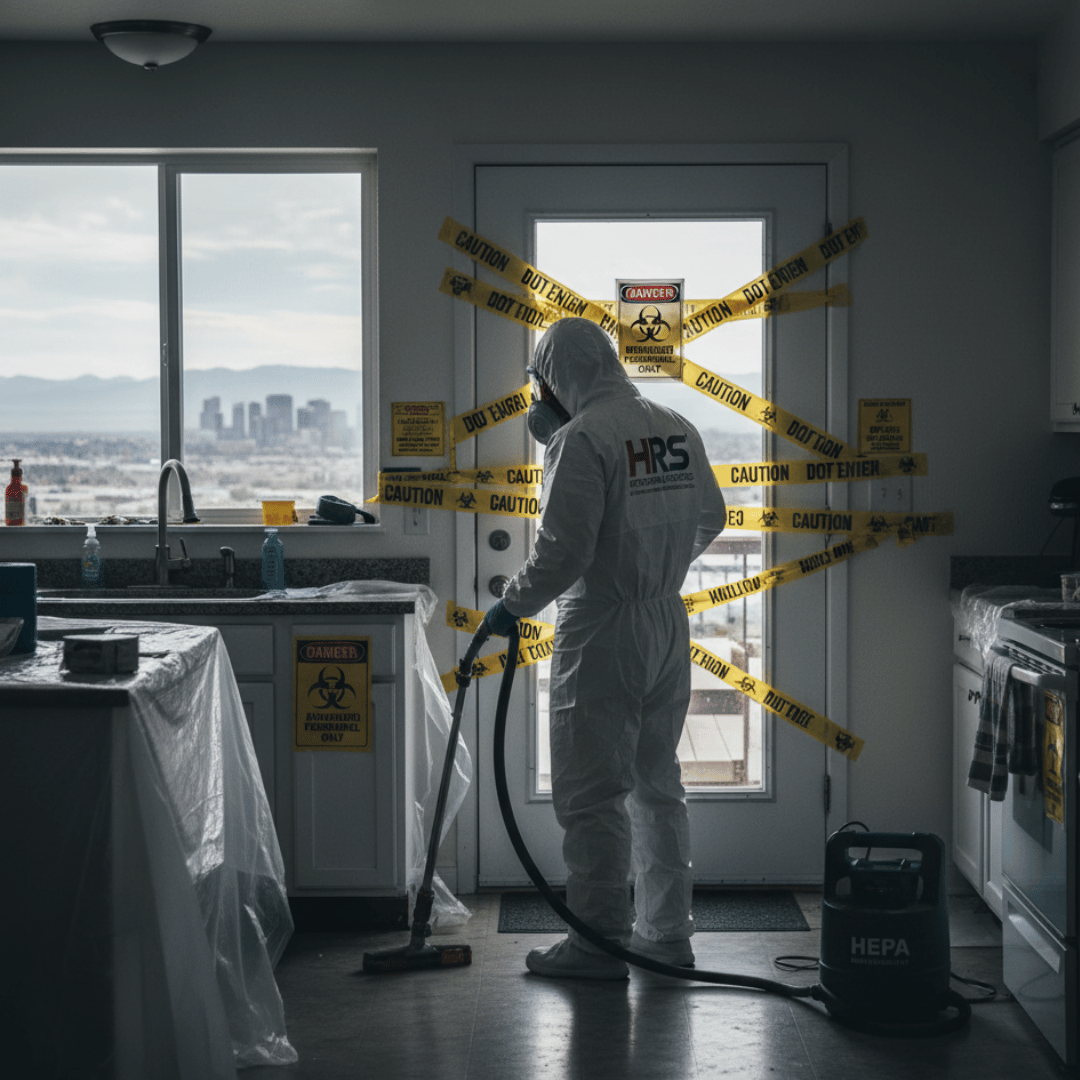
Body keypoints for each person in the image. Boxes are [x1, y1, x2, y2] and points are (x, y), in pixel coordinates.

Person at [484, 316, 726, 980]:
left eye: (540, 382)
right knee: (656, 784)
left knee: (592, 794)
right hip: (664, 622)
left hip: (602, 629)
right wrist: (657, 562)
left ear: (558, 376)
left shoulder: (581, 438)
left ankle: (596, 944)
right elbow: (714, 515)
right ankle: (667, 934)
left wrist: (509, 607)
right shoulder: (674, 424)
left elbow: (562, 555)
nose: (539, 398)